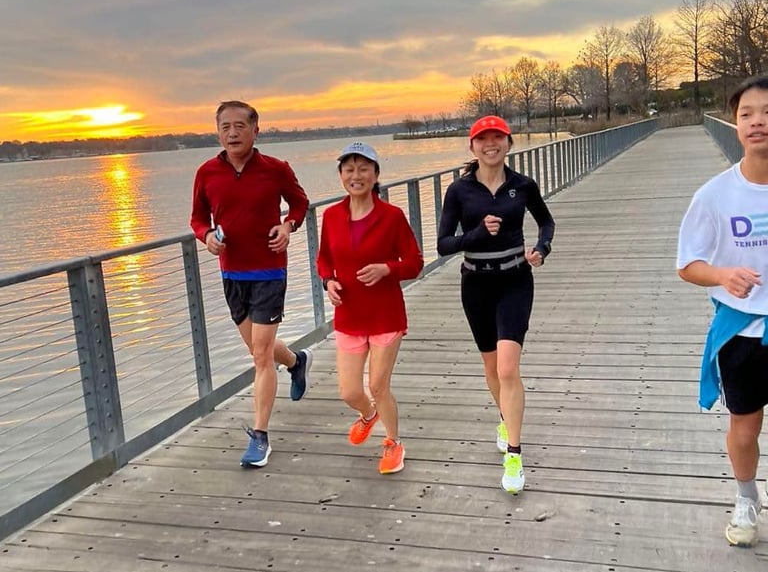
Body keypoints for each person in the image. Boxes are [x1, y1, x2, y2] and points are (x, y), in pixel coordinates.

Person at [191, 100, 312, 469]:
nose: (232, 133)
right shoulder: (206, 172)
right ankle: (296, 361)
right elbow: (198, 218)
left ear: (256, 131)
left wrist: (288, 226)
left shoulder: (276, 169)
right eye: (225, 127)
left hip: (269, 271)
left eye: (240, 126)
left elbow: (300, 203)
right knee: (260, 349)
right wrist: (206, 236)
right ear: (217, 132)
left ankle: (260, 436)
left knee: (260, 356)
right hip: (232, 274)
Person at [437, 115, 555, 494]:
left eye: (497, 138)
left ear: (508, 142)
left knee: (507, 367)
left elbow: (546, 222)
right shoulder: (459, 191)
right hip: (475, 284)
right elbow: (443, 244)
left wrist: (541, 248)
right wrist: (475, 233)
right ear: (472, 146)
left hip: (515, 280)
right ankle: (505, 417)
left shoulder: (523, 185)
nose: (491, 145)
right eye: (482, 139)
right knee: (491, 368)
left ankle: (514, 455)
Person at [677, 74, 768, 548]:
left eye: (767, 113)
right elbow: (687, 264)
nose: (758, 122)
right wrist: (722, 275)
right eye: (747, 114)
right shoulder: (714, 195)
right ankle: (747, 497)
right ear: (734, 124)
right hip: (743, 331)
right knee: (744, 428)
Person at [316, 141, 423, 474]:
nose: (356, 176)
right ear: (341, 175)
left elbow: (415, 262)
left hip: (385, 314)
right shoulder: (332, 216)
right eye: (349, 169)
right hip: (349, 314)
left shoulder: (392, 216)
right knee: (350, 391)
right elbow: (324, 259)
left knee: (378, 385)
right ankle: (368, 415)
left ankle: (393, 443)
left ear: (376, 175)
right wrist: (328, 282)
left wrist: (387, 268)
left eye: (364, 169)